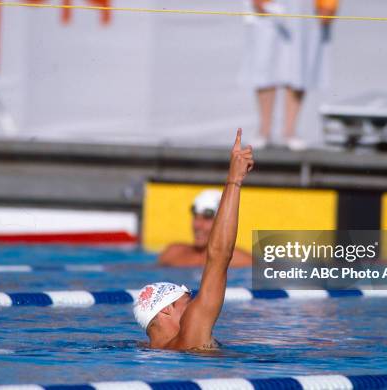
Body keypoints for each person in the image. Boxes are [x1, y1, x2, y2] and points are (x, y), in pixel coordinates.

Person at [134, 129, 253, 350]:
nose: (196, 305)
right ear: (166, 309)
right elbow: (219, 257)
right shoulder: (191, 338)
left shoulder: (146, 349)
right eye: (187, 303)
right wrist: (234, 180)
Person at [240, 0, 338, 150]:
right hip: (270, 6)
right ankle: (264, 131)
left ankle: (290, 132)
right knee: (265, 60)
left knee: (300, 63)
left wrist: (328, 4)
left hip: (305, 8)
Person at [158, 189, 252, 268]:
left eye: (206, 218)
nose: (197, 225)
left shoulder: (241, 261)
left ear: (224, 223)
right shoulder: (172, 254)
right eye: (195, 217)